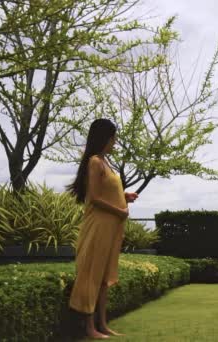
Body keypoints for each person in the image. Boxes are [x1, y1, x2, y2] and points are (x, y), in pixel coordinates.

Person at [67, 119, 139, 339]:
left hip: (110, 228)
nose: (115, 142)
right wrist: (119, 210)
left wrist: (124, 197)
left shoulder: (106, 163)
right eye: (113, 138)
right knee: (92, 275)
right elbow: (95, 198)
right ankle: (90, 328)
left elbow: (105, 192)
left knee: (104, 278)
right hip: (98, 227)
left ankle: (103, 324)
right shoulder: (95, 162)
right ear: (104, 138)